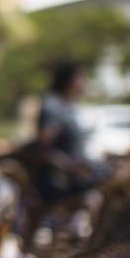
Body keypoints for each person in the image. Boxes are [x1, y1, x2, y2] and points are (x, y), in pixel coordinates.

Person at [31, 61, 107, 201]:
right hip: (62, 180)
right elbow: (43, 148)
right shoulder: (53, 106)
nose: (85, 82)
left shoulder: (72, 107)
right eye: (81, 78)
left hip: (81, 171)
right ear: (68, 80)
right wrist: (73, 167)